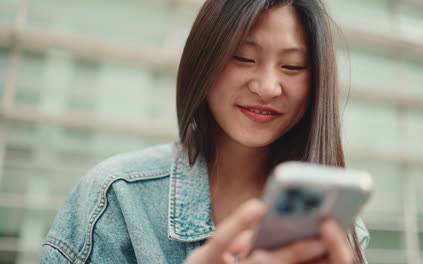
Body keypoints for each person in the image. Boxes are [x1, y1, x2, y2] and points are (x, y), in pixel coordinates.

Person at [39, 0, 370, 263]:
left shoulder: (340, 229)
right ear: (205, 60)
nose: (268, 87)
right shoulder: (117, 198)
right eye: (243, 57)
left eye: (292, 67)